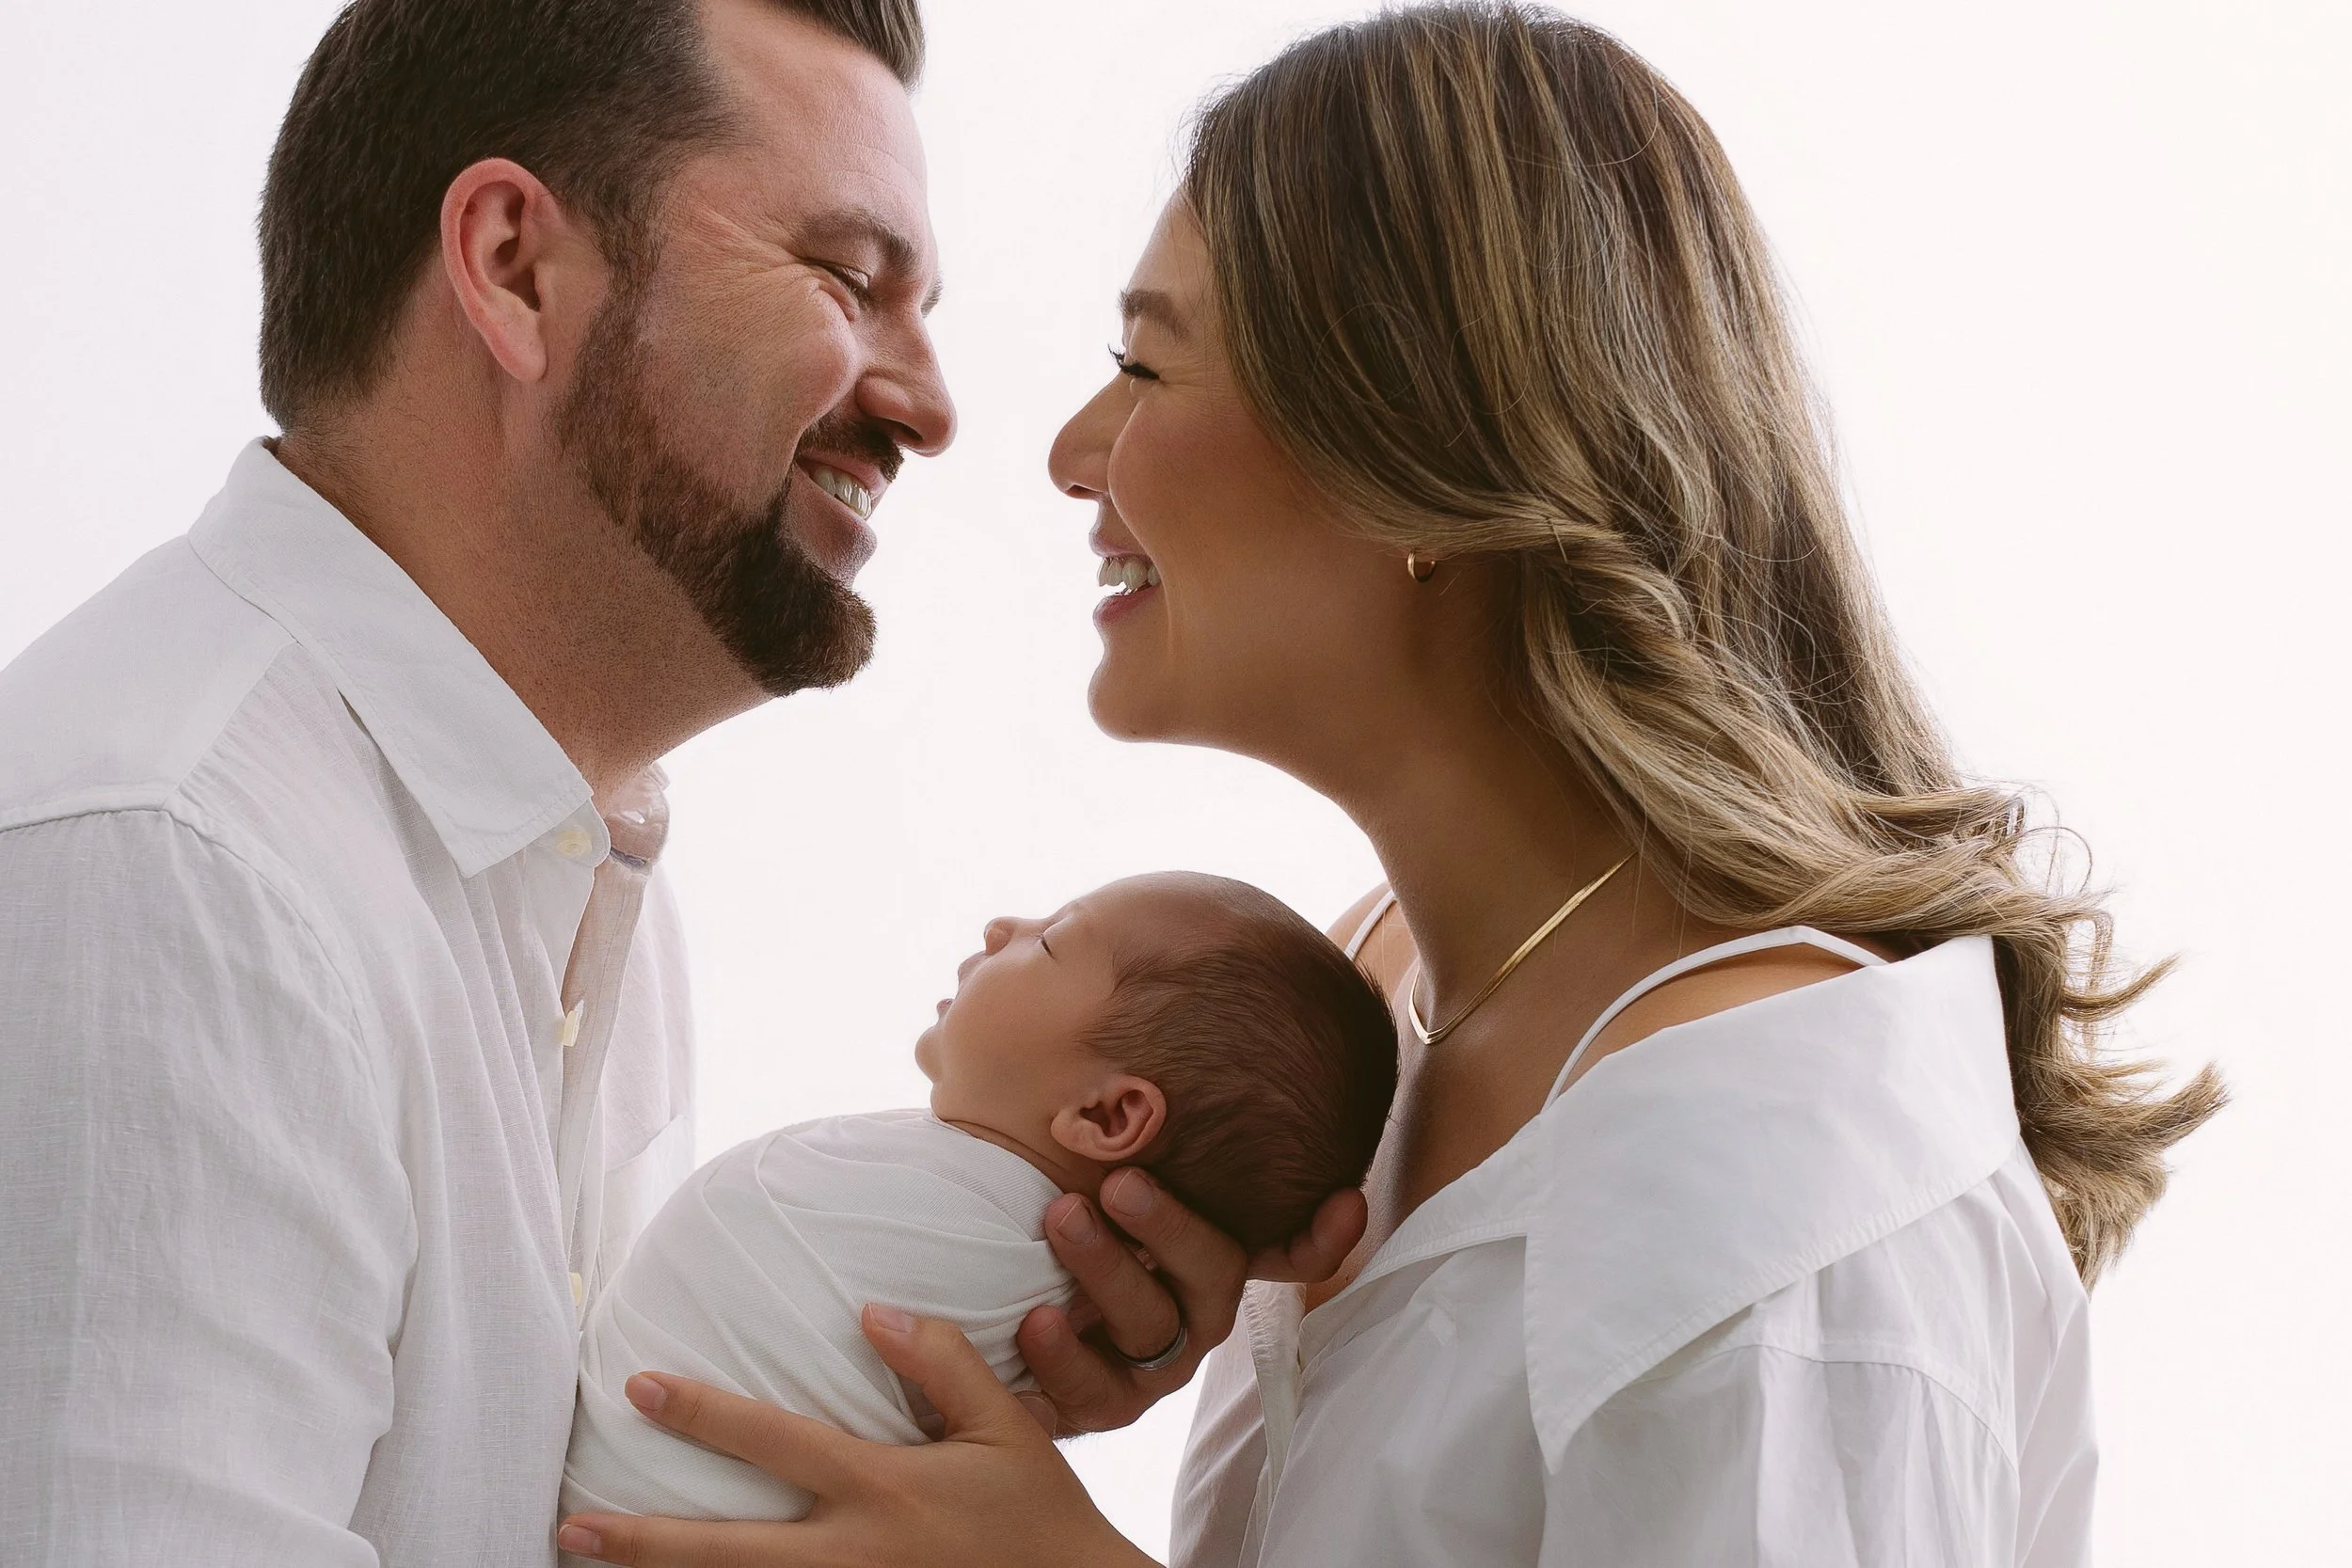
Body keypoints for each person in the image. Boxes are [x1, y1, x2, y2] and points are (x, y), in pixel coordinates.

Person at [552, 7, 2224, 1567]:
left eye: (1148, 367)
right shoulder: (1383, 1000)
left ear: (1423, 445)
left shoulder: (1784, 1178)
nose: (1071, 450)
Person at [0, 0, 1010, 1560]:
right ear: (517, 270)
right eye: (845, 280)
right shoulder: (171, 870)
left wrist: (991, 1298)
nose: (931, 405)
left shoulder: (577, 860)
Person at [561, 872, 1393, 1530]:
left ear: (1109, 1114)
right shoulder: (1015, 1247)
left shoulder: (998, 1248)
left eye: (1053, 941)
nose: (1004, 927)